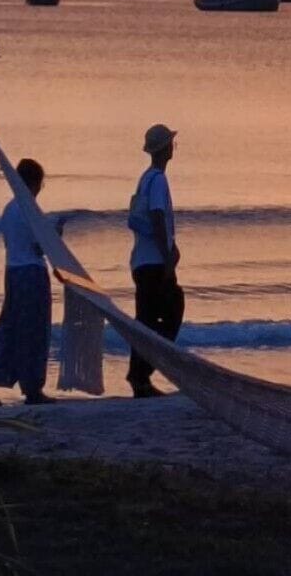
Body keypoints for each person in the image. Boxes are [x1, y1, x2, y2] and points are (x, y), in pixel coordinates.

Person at [0, 158, 54, 407]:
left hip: (12, 272)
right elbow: (39, 246)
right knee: (33, 331)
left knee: (11, 328)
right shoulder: (29, 208)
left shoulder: (9, 209)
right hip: (32, 271)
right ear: (33, 182)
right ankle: (32, 388)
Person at [127, 123, 184, 398]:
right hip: (153, 263)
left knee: (147, 319)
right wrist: (168, 258)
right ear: (166, 148)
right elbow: (158, 217)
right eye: (171, 143)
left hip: (141, 260)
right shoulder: (158, 180)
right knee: (172, 310)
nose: (174, 147)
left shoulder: (146, 178)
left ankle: (140, 375)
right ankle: (141, 373)